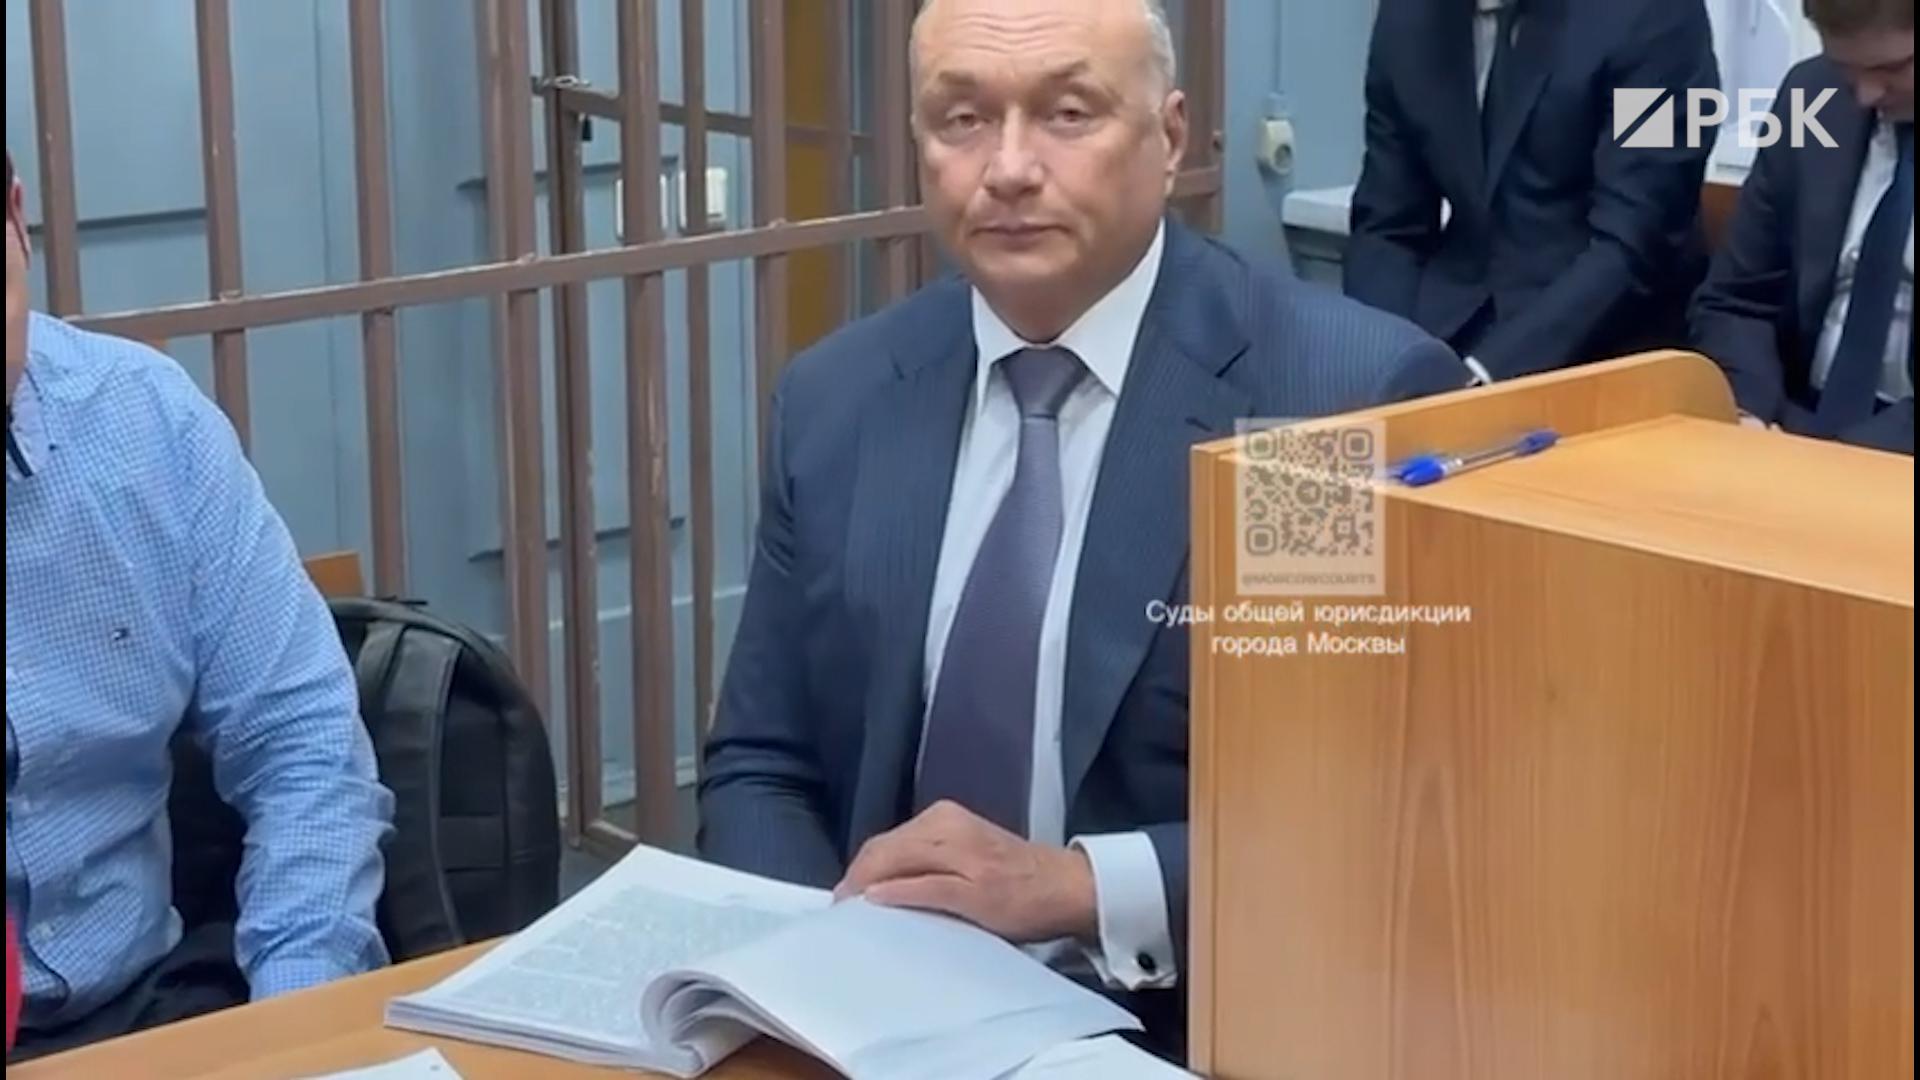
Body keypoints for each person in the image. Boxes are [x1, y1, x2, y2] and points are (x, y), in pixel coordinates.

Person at [696, 0, 1463, 1052]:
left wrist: (1076, 888)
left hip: (1189, 1028)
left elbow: (1360, 821)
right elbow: (761, 764)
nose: (1009, 168)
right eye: (962, 119)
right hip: (866, 1029)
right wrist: (826, 985)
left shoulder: (1310, 412)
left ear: (1170, 135)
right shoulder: (842, 399)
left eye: (1067, 113)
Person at [4, 154, 394, 1058]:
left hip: (147, 1003)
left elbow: (302, 749)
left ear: (17, 222)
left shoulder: (144, 419)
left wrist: (295, 1035)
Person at [1346, 0, 1720, 383]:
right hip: (1445, 333)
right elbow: (1387, 225)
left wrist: (1482, 378)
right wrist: (1382, 358)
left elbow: (1637, 243)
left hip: (1608, 353)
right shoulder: (1409, 15)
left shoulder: (1662, 14)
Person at [1690, 0, 1914, 454]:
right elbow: (1736, 299)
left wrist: (1836, 460)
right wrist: (1752, 412)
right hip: (1791, 423)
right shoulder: (1812, 96)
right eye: (1846, 68)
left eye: (1892, 68)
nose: (1866, 94)